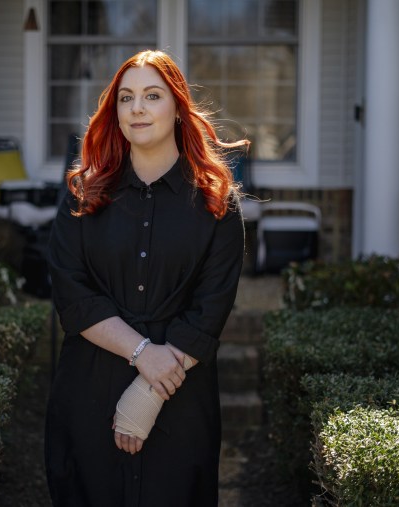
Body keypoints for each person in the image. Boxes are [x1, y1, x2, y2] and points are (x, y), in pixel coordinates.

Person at [45, 49, 249, 507]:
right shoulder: (83, 196)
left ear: (177, 107)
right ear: (114, 112)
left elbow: (210, 308)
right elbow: (72, 294)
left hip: (181, 399)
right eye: (125, 97)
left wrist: (146, 394)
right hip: (88, 391)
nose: (137, 108)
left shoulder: (218, 204)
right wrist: (141, 353)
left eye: (152, 96)